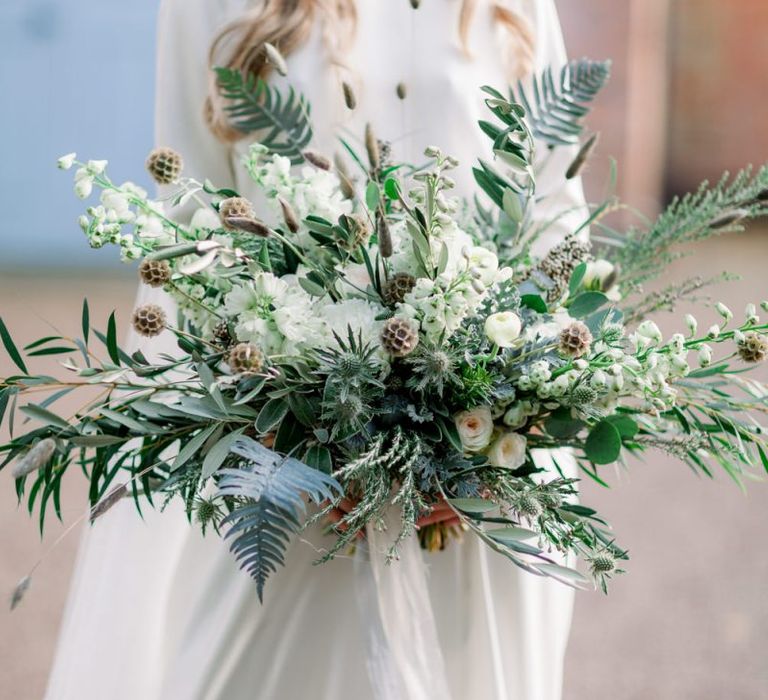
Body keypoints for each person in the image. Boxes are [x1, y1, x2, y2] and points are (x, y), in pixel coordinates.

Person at [46, 1, 588, 698]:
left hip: (487, 481)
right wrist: (285, 413)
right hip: (281, 456)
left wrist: (503, 415)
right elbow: (187, 219)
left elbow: (555, 213)